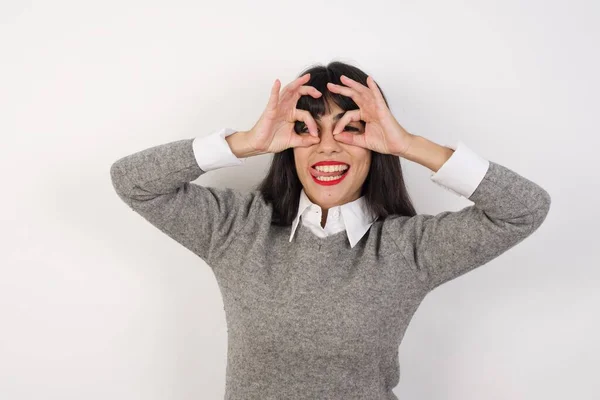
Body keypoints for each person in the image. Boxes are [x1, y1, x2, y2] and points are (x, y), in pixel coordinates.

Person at [110, 61, 551, 399]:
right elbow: (133, 182)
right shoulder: (235, 227)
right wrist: (246, 142)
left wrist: (410, 145)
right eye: (307, 129)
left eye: (350, 129)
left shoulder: (411, 248)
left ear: (377, 145)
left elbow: (524, 209)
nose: (327, 146)